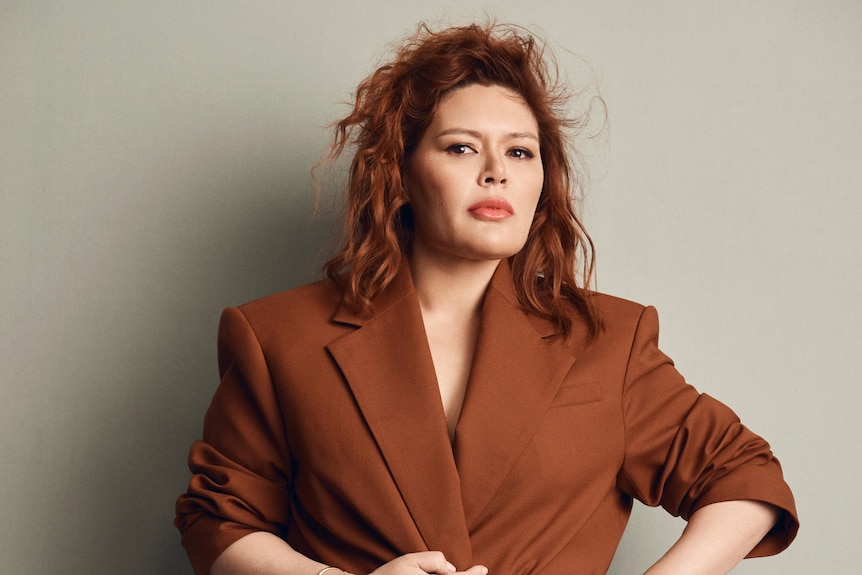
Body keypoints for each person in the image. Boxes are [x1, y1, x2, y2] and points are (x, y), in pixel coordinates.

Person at [175, 22, 798, 575]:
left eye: (521, 151)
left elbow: (744, 477)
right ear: (401, 175)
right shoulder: (280, 335)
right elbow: (221, 519)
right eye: (461, 147)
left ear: (541, 185)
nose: (496, 170)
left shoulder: (610, 337)